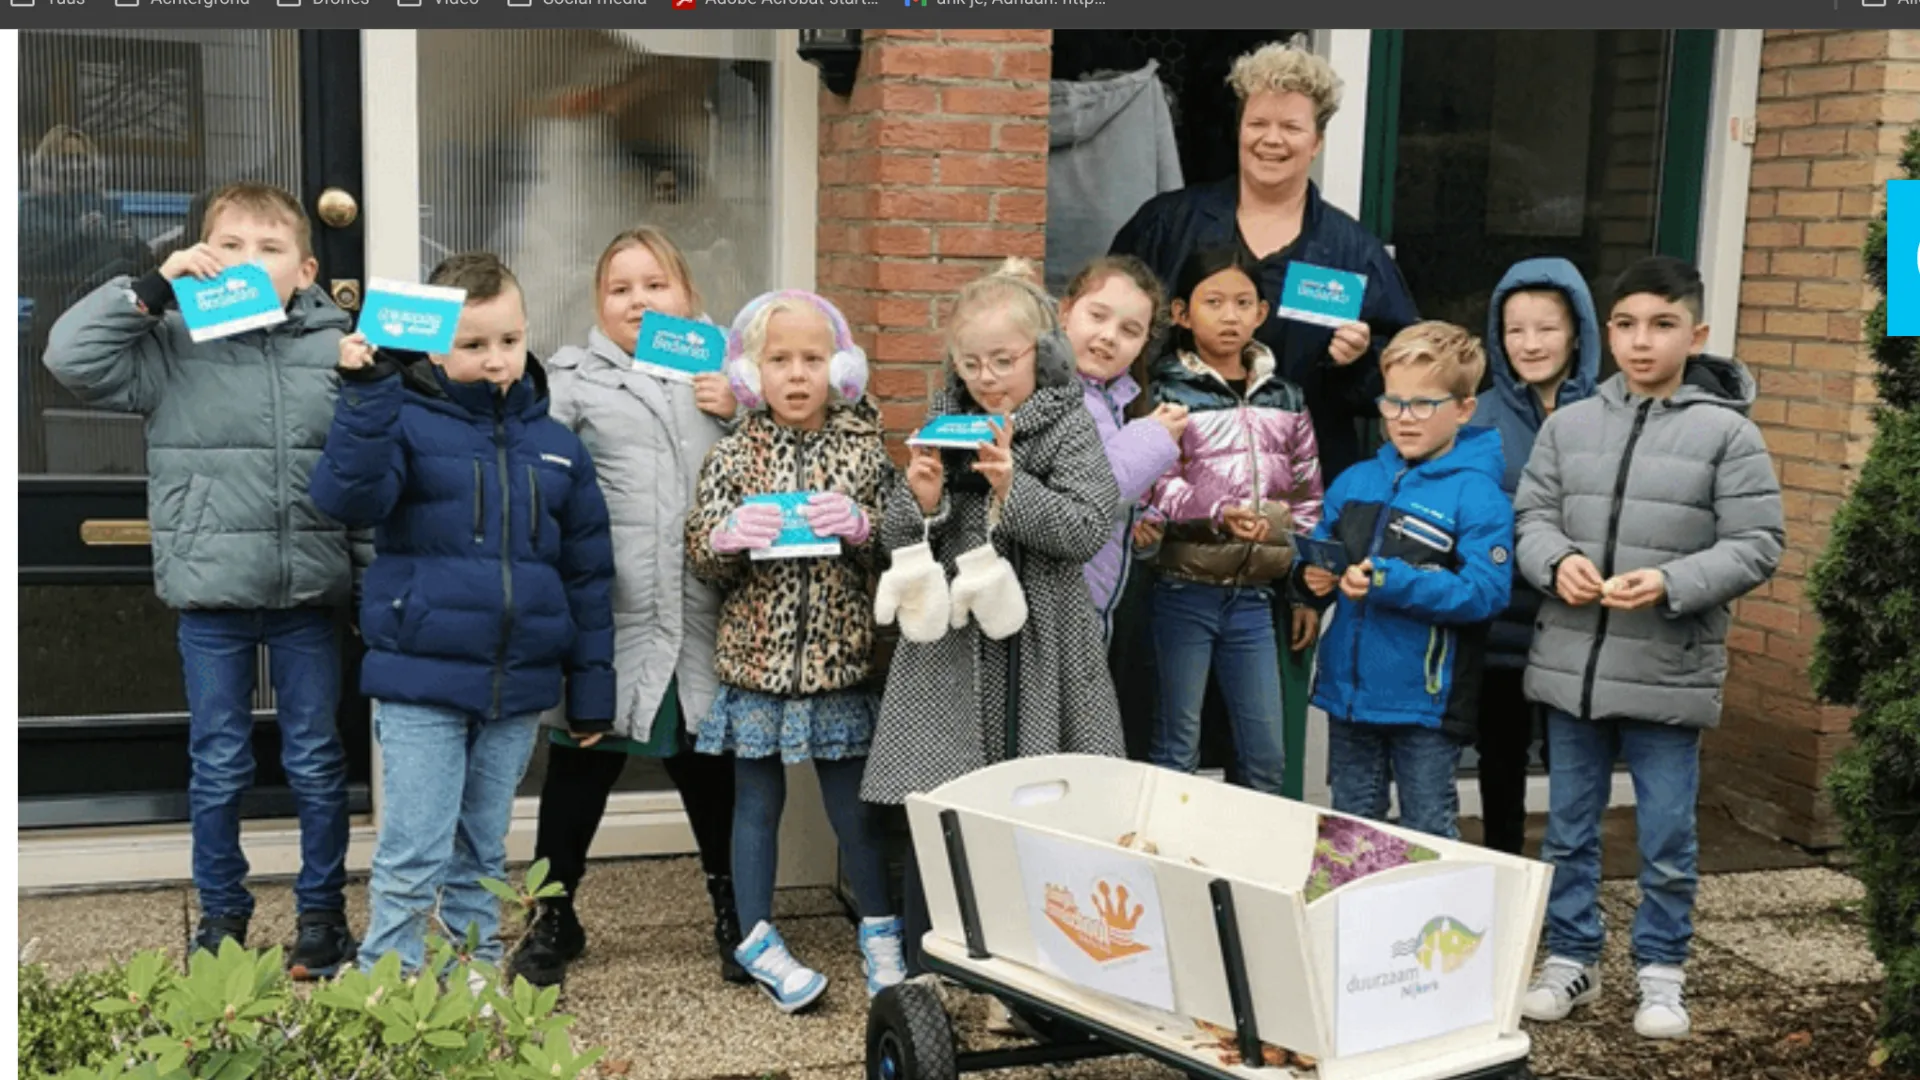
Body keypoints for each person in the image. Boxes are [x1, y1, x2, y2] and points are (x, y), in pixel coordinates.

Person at [43, 181, 359, 976]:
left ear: (308, 269)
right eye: (229, 246)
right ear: (202, 257)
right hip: (212, 596)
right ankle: (222, 913)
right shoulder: (173, 345)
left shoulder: (339, 348)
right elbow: (67, 356)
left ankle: (322, 913)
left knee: (319, 759)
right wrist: (155, 287)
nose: (249, 261)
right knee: (219, 760)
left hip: (306, 594)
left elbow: (371, 464)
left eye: (270, 248)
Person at [311, 252, 616, 977]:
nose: (495, 360)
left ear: (526, 331)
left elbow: (587, 573)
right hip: (423, 679)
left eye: (508, 341)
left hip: (516, 688)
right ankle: (389, 997)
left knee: (481, 848)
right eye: (473, 345)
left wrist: (592, 689)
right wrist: (363, 395)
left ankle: (470, 987)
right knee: (414, 850)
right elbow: (346, 499)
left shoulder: (559, 447)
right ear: (435, 345)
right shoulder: (401, 420)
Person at [1516, 256, 1783, 1041]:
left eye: (1662, 326)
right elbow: (1532, 518)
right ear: (1607, 332)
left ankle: (1661, 973)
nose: (1641, 341)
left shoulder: (1728, 435)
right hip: (1574, 669)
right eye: (1626, 324)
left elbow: (1758, 543)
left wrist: (1669, 583)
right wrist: (1552, 561)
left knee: (1666, 833)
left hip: (1668, 671)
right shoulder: (1569, 425)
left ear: (1695, 334)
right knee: (1567, 828)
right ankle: (1572, 957)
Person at [862, 258, 1124, 974]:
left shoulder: (1069, 427)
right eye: (971, 363)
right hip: (952, 651)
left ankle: (1034, 963)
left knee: (1037, 804)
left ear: (1039, 355)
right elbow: (900, 541)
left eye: (1003, 361)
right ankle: (930, 961)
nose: (986, 377)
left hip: (1041, 645)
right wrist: (919, 499)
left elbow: (1087, 527)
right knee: (941, 804)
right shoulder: (945, 427)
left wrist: (1016, 489)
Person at [509, 227, 745, 989]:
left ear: (689, 297)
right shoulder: (577, 382)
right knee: (582, 763)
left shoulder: (729, 376)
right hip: (613, 617)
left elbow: (781, 453)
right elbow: (541, 473)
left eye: (655, 285)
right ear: (598, 305)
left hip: (705, 614)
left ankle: (732, 903)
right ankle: (553, 910)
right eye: (620, 289)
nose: (638, 300)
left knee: (708, 765)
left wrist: (741, 406)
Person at [684, 290, 905, 1013]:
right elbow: (702, 556)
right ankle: (755, 939)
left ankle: (881, 933)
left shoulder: (867, 453)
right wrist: (724, 538)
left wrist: (866, 527)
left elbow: (899, 552)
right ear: (753, 373)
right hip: (756, 667)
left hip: (841, 665)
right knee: (755, 805)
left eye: (813, 358)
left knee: (855, 811)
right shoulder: (732, 455)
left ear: (840, 368)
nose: (797, 374)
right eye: (779, 360)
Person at [1109, 37, 1417, 485]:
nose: (1272, 140)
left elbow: (1409, 376)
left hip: (1300, 489)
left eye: (1291, 127)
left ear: (1317, 142)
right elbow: (1106, 333)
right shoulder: (1169, 224)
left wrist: (1360, 361)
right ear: (1239, 129)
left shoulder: (1352, 252)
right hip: (1175, 483)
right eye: (1258, 123)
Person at [1300, 321, 1512, 840]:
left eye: (1423, 404)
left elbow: (1486, 592)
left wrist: (1390, 581)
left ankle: (1434, 923)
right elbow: (1320, 552)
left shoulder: (1479, 494)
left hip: (1427, 704)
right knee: (1351, 828)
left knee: (1427, 831)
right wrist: (1309, 580)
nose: (1403, 419)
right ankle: (1353, 922)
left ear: (1464, 408)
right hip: (1350, 694)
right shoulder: (1355, 479)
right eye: (1392, 403)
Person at [1142, 246, 1323, 796]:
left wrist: (1301, 591)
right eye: (1213, 302)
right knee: (1177, 748)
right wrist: (1216, 513)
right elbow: (1155, 484)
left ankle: (1249, 875)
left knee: (1266, 756)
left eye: (1243, 303)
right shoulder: (1164, 390)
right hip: (1182, 591)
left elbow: (1307, 497)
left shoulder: (1285, 396)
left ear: (1262, 314)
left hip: (1254, 602)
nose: (1229, 315)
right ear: (1180, 313)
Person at [1468, 257, 1601, 856]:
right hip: (1501, 629)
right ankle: (1505, 875)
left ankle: (1571, 884)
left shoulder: (1607, 413)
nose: (1530, 343)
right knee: (1499, 763)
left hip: (1580, 625)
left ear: (1577, 330)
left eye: (1546, 327)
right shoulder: (1480, 417)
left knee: (1578, 767)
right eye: (1515, 329)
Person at [1059, 254, 1187, 637]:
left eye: (1130, 330)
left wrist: (1140, 519)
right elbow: (1091, 495)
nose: (1109, 336)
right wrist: (1152, 439)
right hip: (1056, 613)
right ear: (1064, 312)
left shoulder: (1112, 400)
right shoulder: (1054, 393)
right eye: (1097, 316)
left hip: (1088, 606)